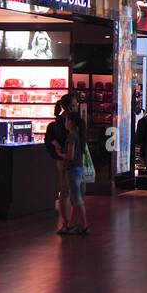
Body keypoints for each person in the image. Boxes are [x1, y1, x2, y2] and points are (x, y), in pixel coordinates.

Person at [47, 92, 80, 234]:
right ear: (69, 107)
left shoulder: (58, 122)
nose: (76, 106)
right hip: (69, 160)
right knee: (70, 192)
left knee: (66, 192)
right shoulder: (68, 123)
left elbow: (51, 140)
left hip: (63, 160)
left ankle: (68, 222)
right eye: (74, 105)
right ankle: (69, 222)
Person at [59, 111, 90, 235]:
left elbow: (70, 155)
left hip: (72, 169)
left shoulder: (72, 136)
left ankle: (84, 225)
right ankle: (76, 224)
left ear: (71, 122)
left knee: (76, 199)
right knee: (77, 197)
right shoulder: (79, 135)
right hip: (78, 168)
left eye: (67, 120)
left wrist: (59, 153)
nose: (65, 123)